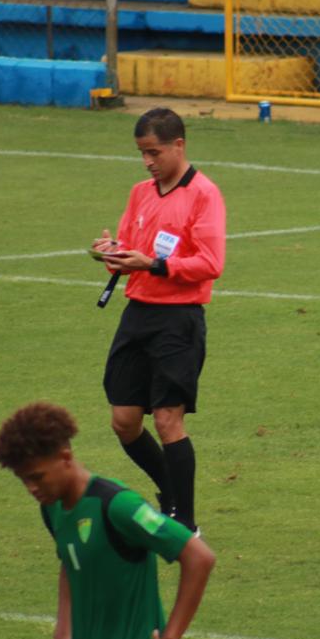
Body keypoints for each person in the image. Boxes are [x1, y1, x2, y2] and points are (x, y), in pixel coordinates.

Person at [0, 402, 216, 639]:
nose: (32, 488)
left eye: (37, 476)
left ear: (65, 457)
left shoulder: (117, 505)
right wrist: (63, 631)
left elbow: (199, 557)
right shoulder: (52, 507)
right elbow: (71, 561)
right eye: (24, 480)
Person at [91, 108, 226, 533]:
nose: (147, 162)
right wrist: (112, 252)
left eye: (154, 152)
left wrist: (153, 263)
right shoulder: (140, 193)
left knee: (168, 420)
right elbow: (130, 250)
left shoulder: (204, 194)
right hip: (138, 314)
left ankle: (185, 523)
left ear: (178, 145)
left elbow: (211, 263)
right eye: (142, 154)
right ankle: (170, 489)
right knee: (124, 421)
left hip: (178, 320)